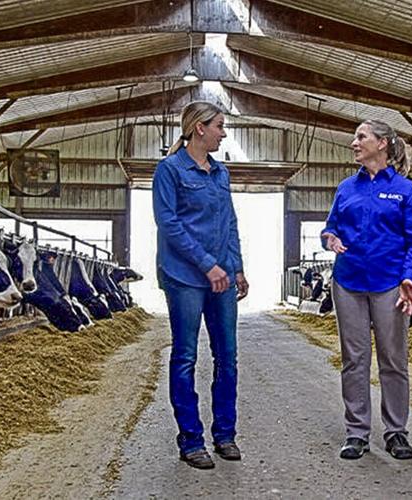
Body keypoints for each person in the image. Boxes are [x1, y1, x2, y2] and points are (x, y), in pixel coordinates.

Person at [321, 119, 412, 460]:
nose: (354, 143)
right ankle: (356, 432)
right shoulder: (346, 188)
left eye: (361, 137)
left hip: (389, 284)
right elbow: (331, 227)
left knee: (393, 359)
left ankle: (396, 431)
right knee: (354, 359)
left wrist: (410, 276)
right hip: (348, 280)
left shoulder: (405, 190)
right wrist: (330, 239)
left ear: (382, 144)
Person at [153, 101, 249, 469]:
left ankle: (225, 434)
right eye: (220, 126)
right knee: (186, 356)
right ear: (199, 128)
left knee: (228, 357)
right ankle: (191, 439)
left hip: (222, 276)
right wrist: (208, 265)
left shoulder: (220, 173)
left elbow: (230, 223)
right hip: (184, 277)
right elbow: (169, 225)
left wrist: (236, 267)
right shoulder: (170, 170)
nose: (223, 133)